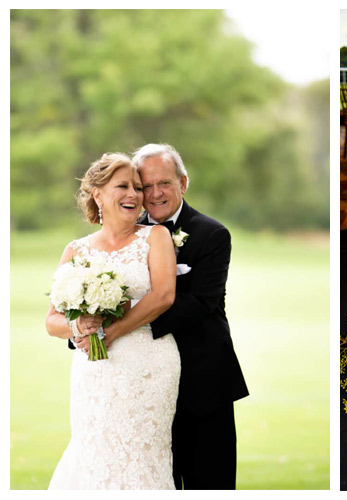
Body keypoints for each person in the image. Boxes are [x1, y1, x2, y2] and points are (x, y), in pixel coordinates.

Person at [47, 153, 180, 489]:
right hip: (94, 369)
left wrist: (112, 331)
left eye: (137, 187)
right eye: (123, 186)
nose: (135, 195)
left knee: (142, 455)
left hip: (148, 362)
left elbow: (163, 295)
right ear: (98, 194)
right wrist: (80, 327)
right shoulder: (77, 249)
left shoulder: (155, 237)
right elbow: (52, 321)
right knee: (94, 450)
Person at [128, 143, 249, 488]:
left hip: (203, 381)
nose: (154, 193)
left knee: (210, 484)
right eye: (145, 186)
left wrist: (123, 321)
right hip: (145, 387)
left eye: (163, 183)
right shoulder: (128, 233)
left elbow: (201, 303)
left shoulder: (212, 234)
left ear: (183, 183)